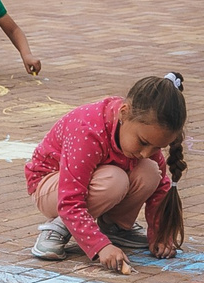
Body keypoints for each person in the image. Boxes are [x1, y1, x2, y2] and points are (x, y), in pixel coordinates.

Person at [25, 73, 186, 272]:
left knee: (151, 172)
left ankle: (115, 227)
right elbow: (70, 201)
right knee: (114, 180)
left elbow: (160, 188)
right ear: (124, 113)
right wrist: (100, 246)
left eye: (156, 148)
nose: (146, 152)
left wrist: (159, 235)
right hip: (49, 186)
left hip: (86, 186)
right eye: (143, 142)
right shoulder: (88, 131)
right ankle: (57, 228)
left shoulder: (141, 130)